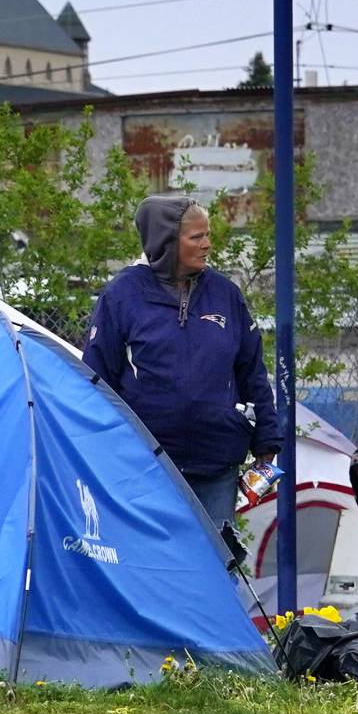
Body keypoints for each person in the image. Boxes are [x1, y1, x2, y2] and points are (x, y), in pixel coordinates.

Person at [82, 195, 282, 531]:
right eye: (197, 237)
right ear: (167, 243)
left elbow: (252, 372)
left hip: (215, 464)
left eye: (208, 235)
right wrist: (102, 449)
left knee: (217, 567)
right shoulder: (122, 295)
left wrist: (266, 441)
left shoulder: (225, 295)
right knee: (152, 569)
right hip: (145, 466)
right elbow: (95, 380)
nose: (207, 245)